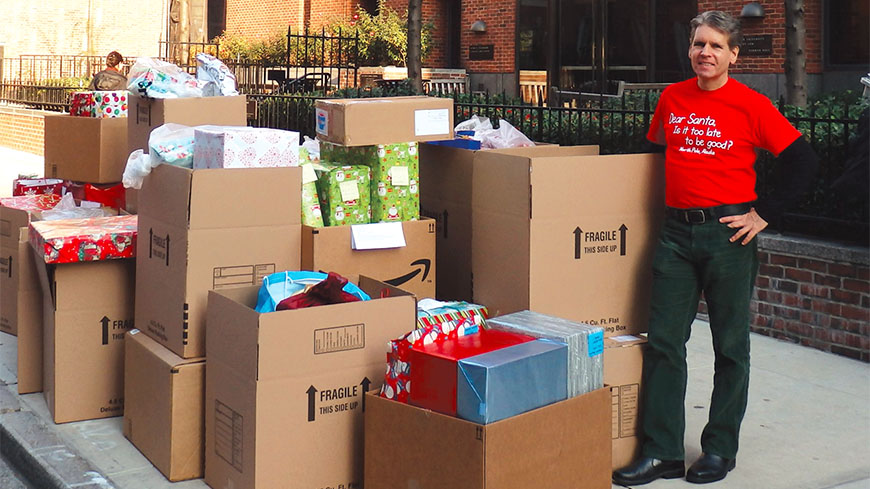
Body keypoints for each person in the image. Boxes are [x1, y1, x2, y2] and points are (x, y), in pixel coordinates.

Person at [612, 10, 818, 486]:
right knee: (664, 342)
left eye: (717, 46)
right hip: (675, 235)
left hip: (728, 235)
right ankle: (662, 451)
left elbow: (804, 162)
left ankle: (720, 449)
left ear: (734, 55)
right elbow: (655, 156)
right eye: (699, 44)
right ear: (689, 48)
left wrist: (763, 215)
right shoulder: (672, 98)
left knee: (730, 346)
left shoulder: (751, 104)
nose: (706, 53)